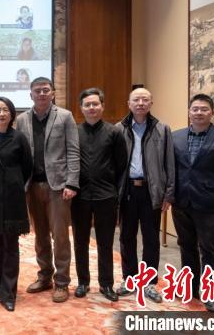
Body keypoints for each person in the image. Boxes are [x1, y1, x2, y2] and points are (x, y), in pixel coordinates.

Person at [172, 94, 214, 313]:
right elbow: (170, 170)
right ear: (189, 112)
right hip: (181, 201)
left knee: (210, 249)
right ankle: (191, 288)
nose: (199, 113)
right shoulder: (176, 137)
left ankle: (212, 294)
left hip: (209, 203)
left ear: (213, 112)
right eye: (195, 109)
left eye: (203, 109)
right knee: (186, 246)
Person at [16, 77, 79, 303]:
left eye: (45, 90)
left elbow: (73, 151)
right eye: (37, 91)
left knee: (60, 236)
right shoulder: (22, 119)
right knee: (40, 235)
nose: (41, 94)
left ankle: (62, 281)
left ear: (53, 93)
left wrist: (72, 183)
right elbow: (20, 153)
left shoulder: (65, 116)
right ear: (30, 94)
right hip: (32, 185)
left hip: (58, 187)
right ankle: (45, 276)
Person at [116, 87, 174, 303]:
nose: (140, 103)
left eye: (145, 99)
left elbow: (170, 163)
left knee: (151, 238)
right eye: (136, 99)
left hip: (152, 191)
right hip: (128, 190)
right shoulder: (118, 129)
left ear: (151, 103)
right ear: (129, 103)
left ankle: (150, 282)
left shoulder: (162, 129)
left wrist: (168, 194)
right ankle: (129, 279)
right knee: (126, 236)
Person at [72, 88, 127, 302]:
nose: (91, 108)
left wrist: (116, 193)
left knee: (105, 242)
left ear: (102, 106)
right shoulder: (75, 132)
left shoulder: (114, 132)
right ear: (81, 108)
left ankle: (106, 284)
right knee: (80, 241)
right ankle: (82, 282)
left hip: (106, 196)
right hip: (80, 196)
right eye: (87, 104)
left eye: (95, 104)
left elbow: (121, 165)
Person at [0, 97, 32, 312]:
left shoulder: (19, 137)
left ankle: (9, 292)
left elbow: (28, 166)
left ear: (11, 114)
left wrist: (14, 182)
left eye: (5, 110)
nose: (1, 114)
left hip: (12, 198)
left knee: (11, 245)